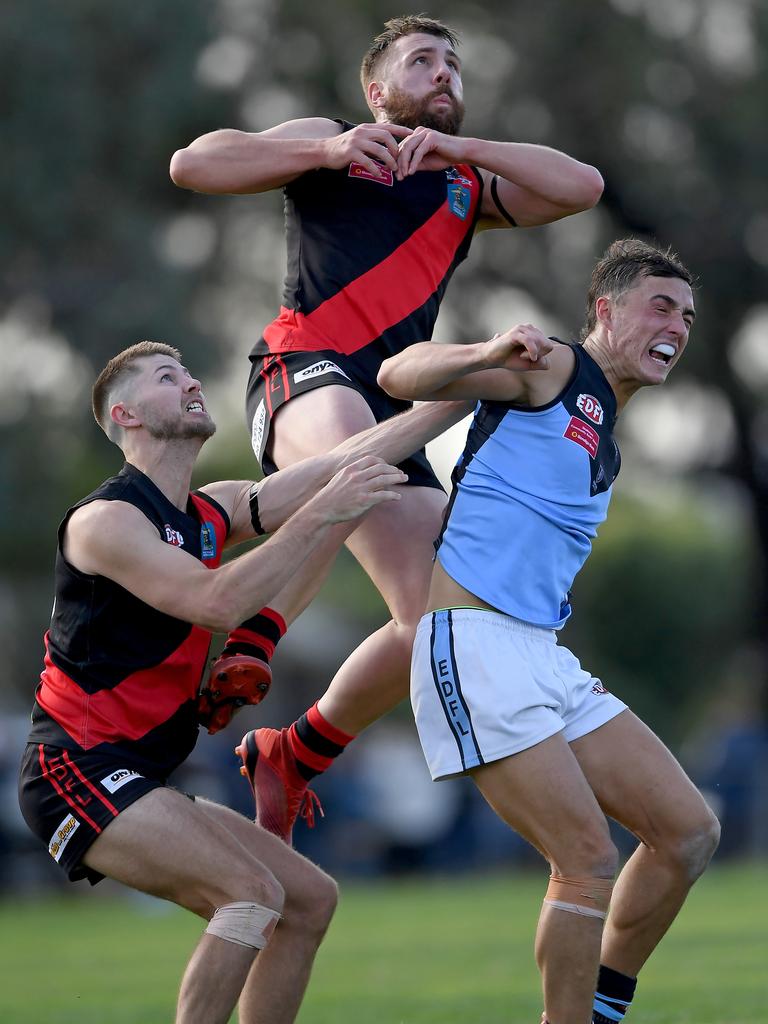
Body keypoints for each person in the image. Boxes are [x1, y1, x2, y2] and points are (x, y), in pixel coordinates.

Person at [169, 13, 605, 842]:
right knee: (353, 464)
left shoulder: (467, 185)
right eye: (422, 62)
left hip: (393, 403)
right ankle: (251, 629)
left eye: (453, 65)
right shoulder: (332, 140)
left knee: (442, 622)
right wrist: (327, 152)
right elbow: (194, 163)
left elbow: (581, 186)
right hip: (303, 370)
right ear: (378, 91)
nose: (444, 75)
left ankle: (296, 752)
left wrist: (467, 151)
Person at [17, 340, 471, 1024]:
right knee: (251, 893)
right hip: (73, 770)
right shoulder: (104, 521)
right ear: (126, 413)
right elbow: (219, 602)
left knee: (309, 900)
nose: (192, 382)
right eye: (167, 378)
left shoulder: (212, 511)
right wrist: (323, 509)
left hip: (140, 771)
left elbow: (341, 463)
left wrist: (471, 389)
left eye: (190, 371)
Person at [377, 238, 721, 1024]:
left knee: (688, 832)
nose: (678, 325)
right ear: (605, 311)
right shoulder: (555, 368)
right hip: (472, 644)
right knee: (588, 861)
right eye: (660, 306)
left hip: (539, 653)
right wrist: (488, 348)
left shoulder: (607, 425)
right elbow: (397, 375)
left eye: (689, 315)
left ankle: (601, 1008)